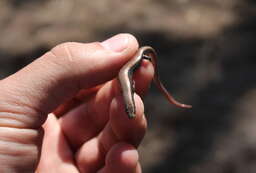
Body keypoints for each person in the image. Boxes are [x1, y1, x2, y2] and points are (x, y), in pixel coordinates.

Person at [0, 34, 154, 173]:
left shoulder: (127, 94)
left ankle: (144, 58)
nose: (130, 112)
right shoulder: (127, 96)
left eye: (130, 110)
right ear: (129, 105)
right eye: (129, 110)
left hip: (136, 62)